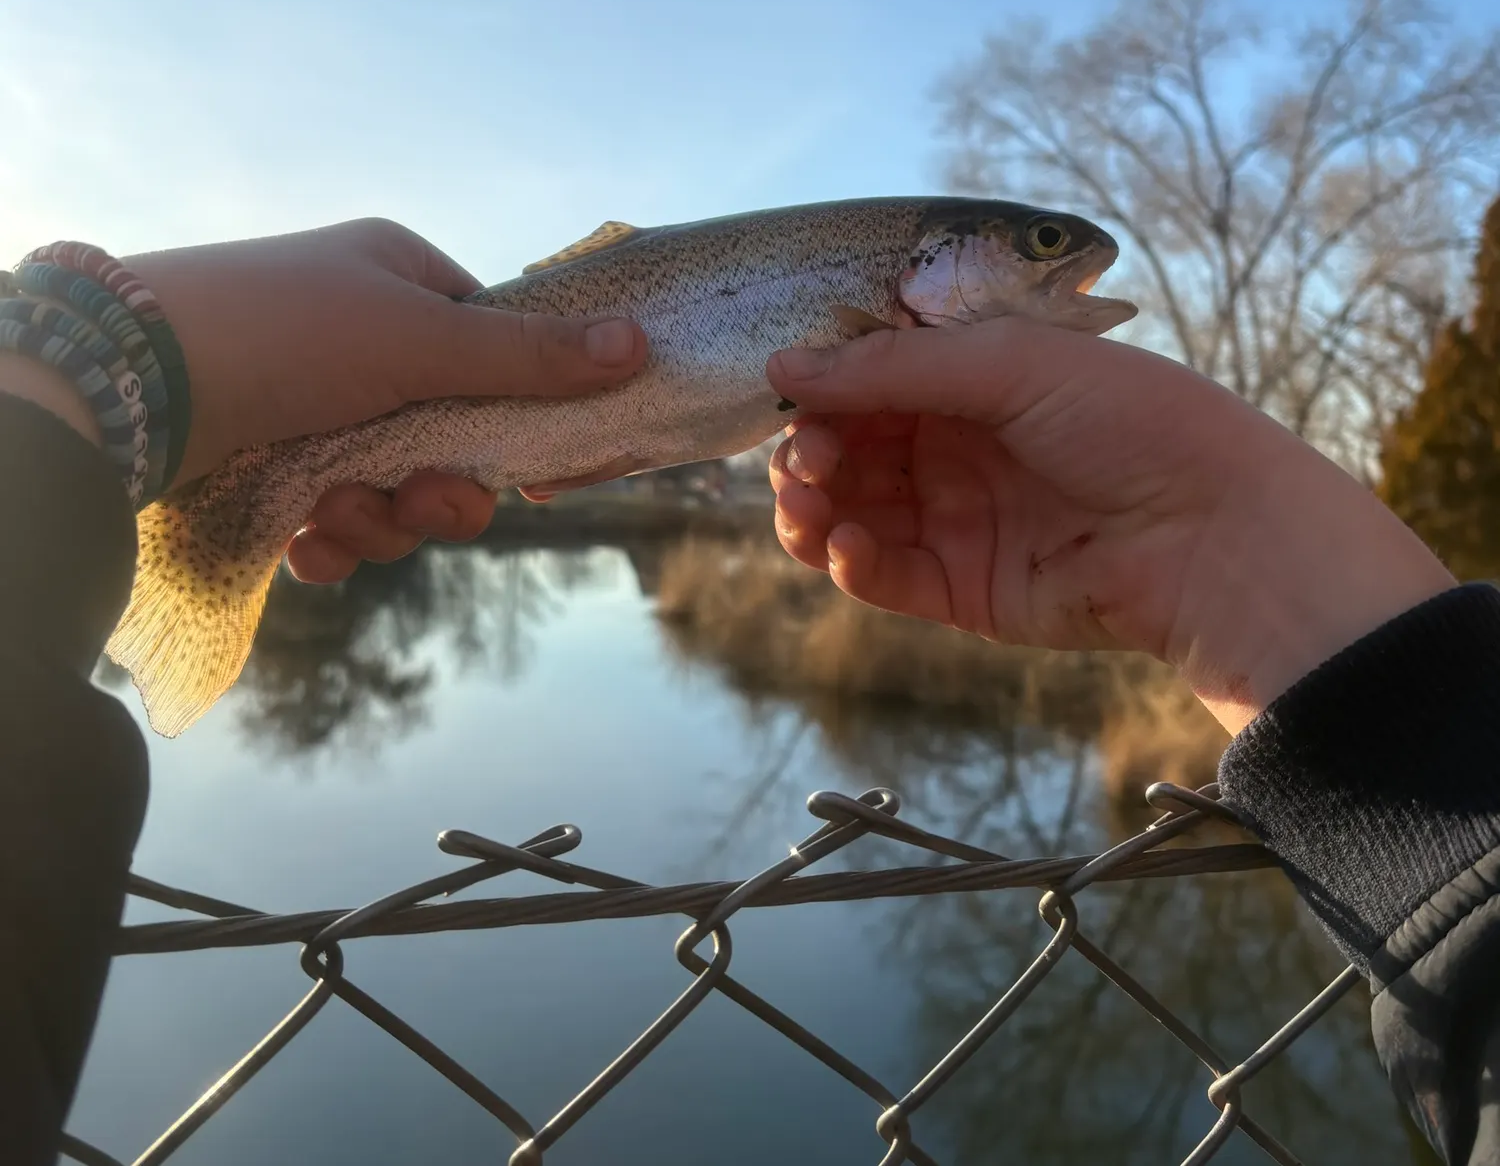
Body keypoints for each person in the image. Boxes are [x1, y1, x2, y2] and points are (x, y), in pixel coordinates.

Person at [1, 218, 1494, 1164]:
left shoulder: (900, 317)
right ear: (926, 271)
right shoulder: (865, 294)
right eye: (1036, 254)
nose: (1068, 272)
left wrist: (102, 366)